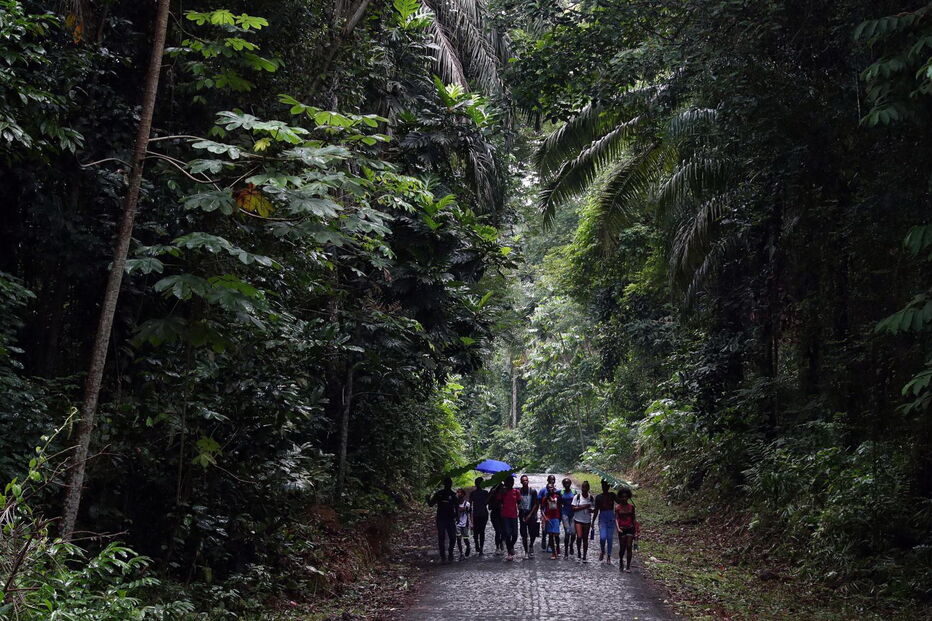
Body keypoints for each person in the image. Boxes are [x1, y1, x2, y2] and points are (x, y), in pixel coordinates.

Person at [427, 477, 458, 563]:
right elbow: (431, 504)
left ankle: (450, 554)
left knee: (452, 537)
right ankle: (443, 556)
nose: (448, 485)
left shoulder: (453, 494)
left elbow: (457, 507)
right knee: (442, 537)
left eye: (449, 483)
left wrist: (457, 517)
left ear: (451, 484)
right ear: (445, 484)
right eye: (447, 483)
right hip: (441, 518)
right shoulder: (439, 494)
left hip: (450, 518)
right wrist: (427, 498)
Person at [593, 479, 617, 563]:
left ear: (609, 486)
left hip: (611, 518)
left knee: (610, 538)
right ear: (601, 486)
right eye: (603, 485)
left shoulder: (612, 495)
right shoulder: (599, 497)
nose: (604, 487)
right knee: (602, 537)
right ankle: (603, 550)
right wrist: (593, 522)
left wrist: (621, 492)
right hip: (602, 518)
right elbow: (596, 510)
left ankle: (609, 556)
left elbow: (620, 502)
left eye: (606, 485)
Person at [499, 475, 522, 561]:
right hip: (505, 515)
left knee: (515, 535)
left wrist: (520, 511)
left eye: (511, 482)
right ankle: (509, 552)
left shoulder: (516, 491)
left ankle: (511, 546)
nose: (510, 484)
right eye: (508, 482)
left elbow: (519, 502)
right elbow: (499, 501)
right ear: (505, 483)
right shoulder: (503, 492)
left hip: (514, 515)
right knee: (508, 534)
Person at [572, 480, 595, 561]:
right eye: (583, 487)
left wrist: (591, 510)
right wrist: (584, 507)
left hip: (587, 521)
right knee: (579, 537)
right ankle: (578, 552)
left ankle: (584, 554)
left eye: (586, 487)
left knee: (585, 538)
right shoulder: (577, 497)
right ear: (581, 488)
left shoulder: (591, 498)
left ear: (588, 488)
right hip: (578, 520)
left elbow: (594, 509)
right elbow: (573, 508)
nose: (584, 489)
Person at [615, 487, 637, 572]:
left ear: (628, 497)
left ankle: (628, 566)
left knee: (629, 546)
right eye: (622, 497)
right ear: (620, 497)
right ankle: (621, 560)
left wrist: (636, 531)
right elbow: (616, 519)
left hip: (630, 528)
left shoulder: (631, 507)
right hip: (622, 529)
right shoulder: (617, 507)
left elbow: (634, 519)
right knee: (622, 548)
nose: (624, 498)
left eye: (626, 497)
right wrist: (618, 528)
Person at [518, 474, 540, 558]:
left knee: (532, 533)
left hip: (532, 514)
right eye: (523, 481)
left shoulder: (533, 491)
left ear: (528, 481)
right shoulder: (519, 492)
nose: (525, 482)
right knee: (524, 534)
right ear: (521, 482)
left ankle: (531, 545)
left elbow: (536, 504)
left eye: (526, 480)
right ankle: (526, 551)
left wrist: (531, 514)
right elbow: (517, 502)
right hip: (522, 514)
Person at [541, 483, 562, 560]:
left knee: (556, 534)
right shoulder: (545, 498)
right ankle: (553, 552)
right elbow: (542, 509)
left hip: (556, 517)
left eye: (551, 487)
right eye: (549, 488)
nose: (550, 489)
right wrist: (544, 517)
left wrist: (561, 517)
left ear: (554, 488)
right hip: (548, 517)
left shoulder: (558, 496)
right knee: (550, 535)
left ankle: (558, 547)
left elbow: (560, 507)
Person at [469, 477, 490, 555]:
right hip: (478, 514)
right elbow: (470, 505)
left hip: (482, 514)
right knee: (477, 532)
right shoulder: (474, 493)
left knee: (480, 531)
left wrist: (490, 494)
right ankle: (478, 545)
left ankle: (480, 547)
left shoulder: (485, 493)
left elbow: (486, 503)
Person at [538, 474, 557, 551]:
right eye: (550, 480)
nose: (552, 481)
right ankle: (543, 538)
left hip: (553, 513)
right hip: (545, 512)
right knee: (544, 528)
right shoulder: (543, 490)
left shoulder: (556, 491)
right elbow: (539, 501)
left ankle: (550, 544)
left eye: (553, 480)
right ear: (547, 480)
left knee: (551, 530)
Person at [559, 478, 576, 559]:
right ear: (563, 484)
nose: (567, 485)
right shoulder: (561, 492)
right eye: (565, 483)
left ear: (570, 483)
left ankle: (571, 544)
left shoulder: (574, 492)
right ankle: (566, 552)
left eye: (568, 483)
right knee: (567, 532)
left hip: (573, 514)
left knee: (573, 533)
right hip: (564, 513)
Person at [487, 482, 505, 555]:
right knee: (498, 531)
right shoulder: (492, 493)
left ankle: (501, 543)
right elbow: (488, 505)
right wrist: (491, 494)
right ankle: (497, 547)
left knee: (503, 531)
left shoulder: (504, 493)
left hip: (503, 514)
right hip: (495, 514)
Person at [455, 488, 471, 559]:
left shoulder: (467, 504)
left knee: (465, 538)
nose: (459, 494)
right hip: (457, 524)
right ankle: (461, 553)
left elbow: (469, 513)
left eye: (460, 493)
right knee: (458, 539)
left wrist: (471, 523)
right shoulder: (455, 504)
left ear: (464, 494)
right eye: (458, 492)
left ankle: (468, 547)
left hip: (464, 524)